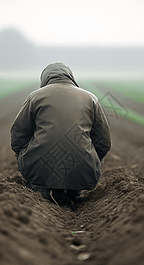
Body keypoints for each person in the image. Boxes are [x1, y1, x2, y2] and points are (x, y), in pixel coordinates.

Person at [10, 62, 111, 210]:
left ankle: (44, 189)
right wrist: (92, 159)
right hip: (80, 169)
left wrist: (25, 158)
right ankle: (73, 191)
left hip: (40, 170)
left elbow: (18, 136)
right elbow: (104, 142)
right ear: (70, 76)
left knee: (34, 164)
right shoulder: (91, 98)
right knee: (93, 154)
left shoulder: (35, 97)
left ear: (45, 78)